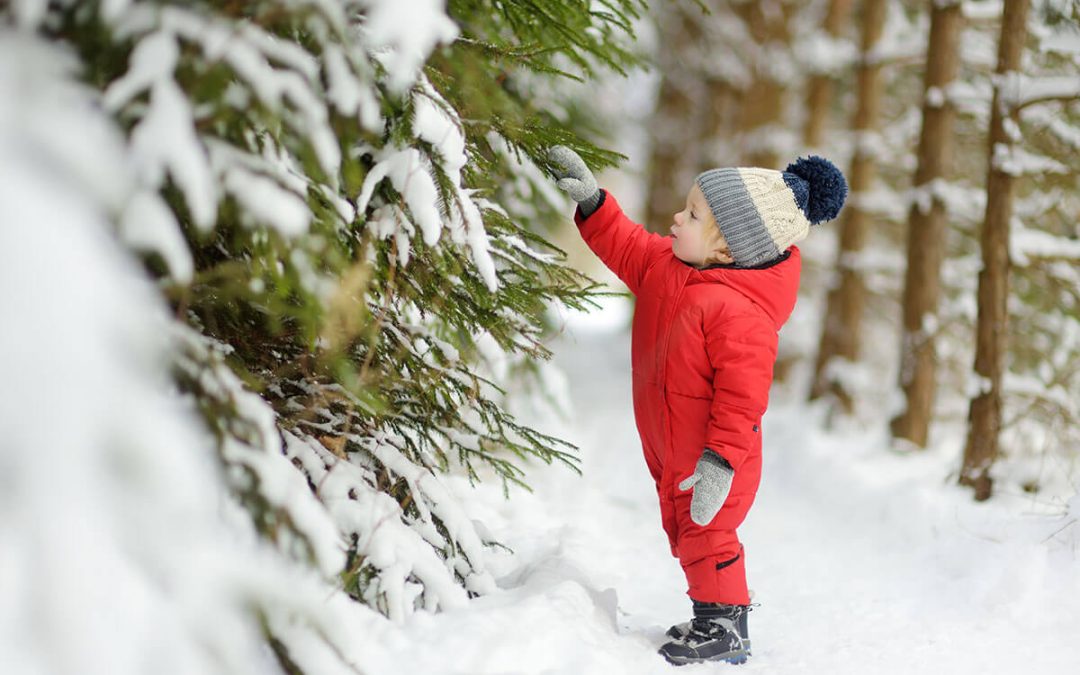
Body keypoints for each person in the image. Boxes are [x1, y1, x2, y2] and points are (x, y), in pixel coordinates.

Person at [547, 145, 847, 665]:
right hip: (674, 445)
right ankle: (711, 613)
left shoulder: (742, 315)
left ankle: (727, 626)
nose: (675, 218)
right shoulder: (667, 266)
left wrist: (721, 462)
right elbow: (627, 246)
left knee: (707, 535)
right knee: (689, 535)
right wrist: (595, 204)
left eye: (692, 215)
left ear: (727, 249)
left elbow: (742, 401)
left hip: (713, 459)